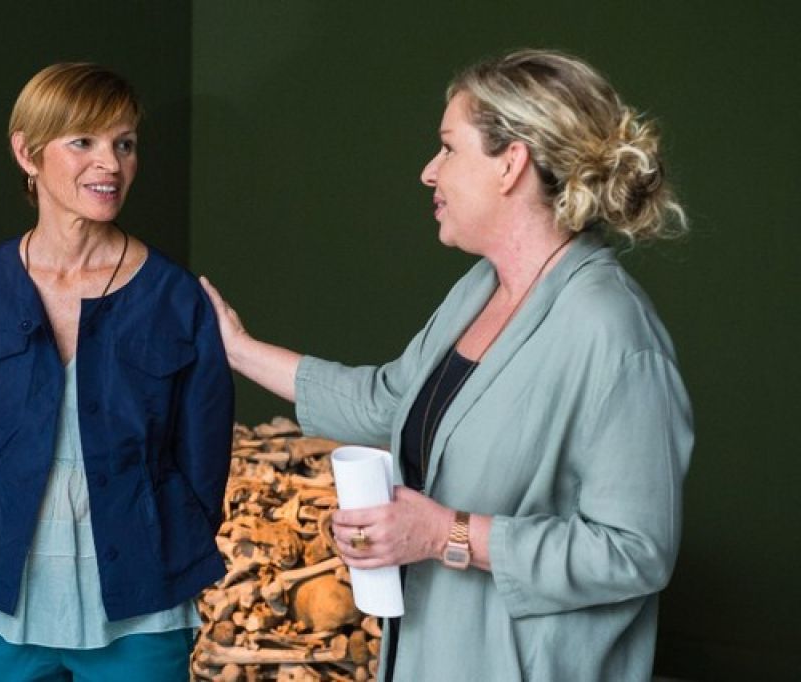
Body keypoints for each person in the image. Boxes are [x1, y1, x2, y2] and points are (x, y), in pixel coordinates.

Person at [201, 49, 693, 681]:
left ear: (511, 164)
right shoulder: (481, 289)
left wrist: (444, 535)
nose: (429, 171)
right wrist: (236, 347)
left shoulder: (612, 332)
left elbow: (635, 553)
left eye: (448, 148)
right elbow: (388, 402)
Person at [0, 62, 233, 681]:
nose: (110, 164)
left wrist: (158, 546)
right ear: (27, 152)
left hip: (141, 602)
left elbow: (204, 461)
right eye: (84, 142)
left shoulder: (177, 298)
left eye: (125, 144)